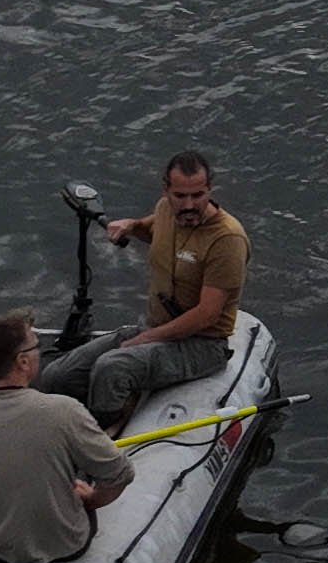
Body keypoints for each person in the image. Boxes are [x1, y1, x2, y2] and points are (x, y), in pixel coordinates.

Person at [38, 150, 244, 430]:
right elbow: (150, 229)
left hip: (202, 344)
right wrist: (131, 225)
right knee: (58, 376)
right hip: (156, 327)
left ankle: (102, 440)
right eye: (180, 196)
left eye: (197, 195)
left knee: (112, 369)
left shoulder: (226, 239)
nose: (188, 205)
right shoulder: (165, 211)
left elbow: (206, 315)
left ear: (209, 190)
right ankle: (56, 428)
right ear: (166, 191)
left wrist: (146, 338)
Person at [0, 312, 133, 563]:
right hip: (61, 546)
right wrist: (91, 500)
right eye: (36, 345)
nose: (40, 350)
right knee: (79, 474)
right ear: (23, 362)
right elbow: (120, 473)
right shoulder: (65, 411)